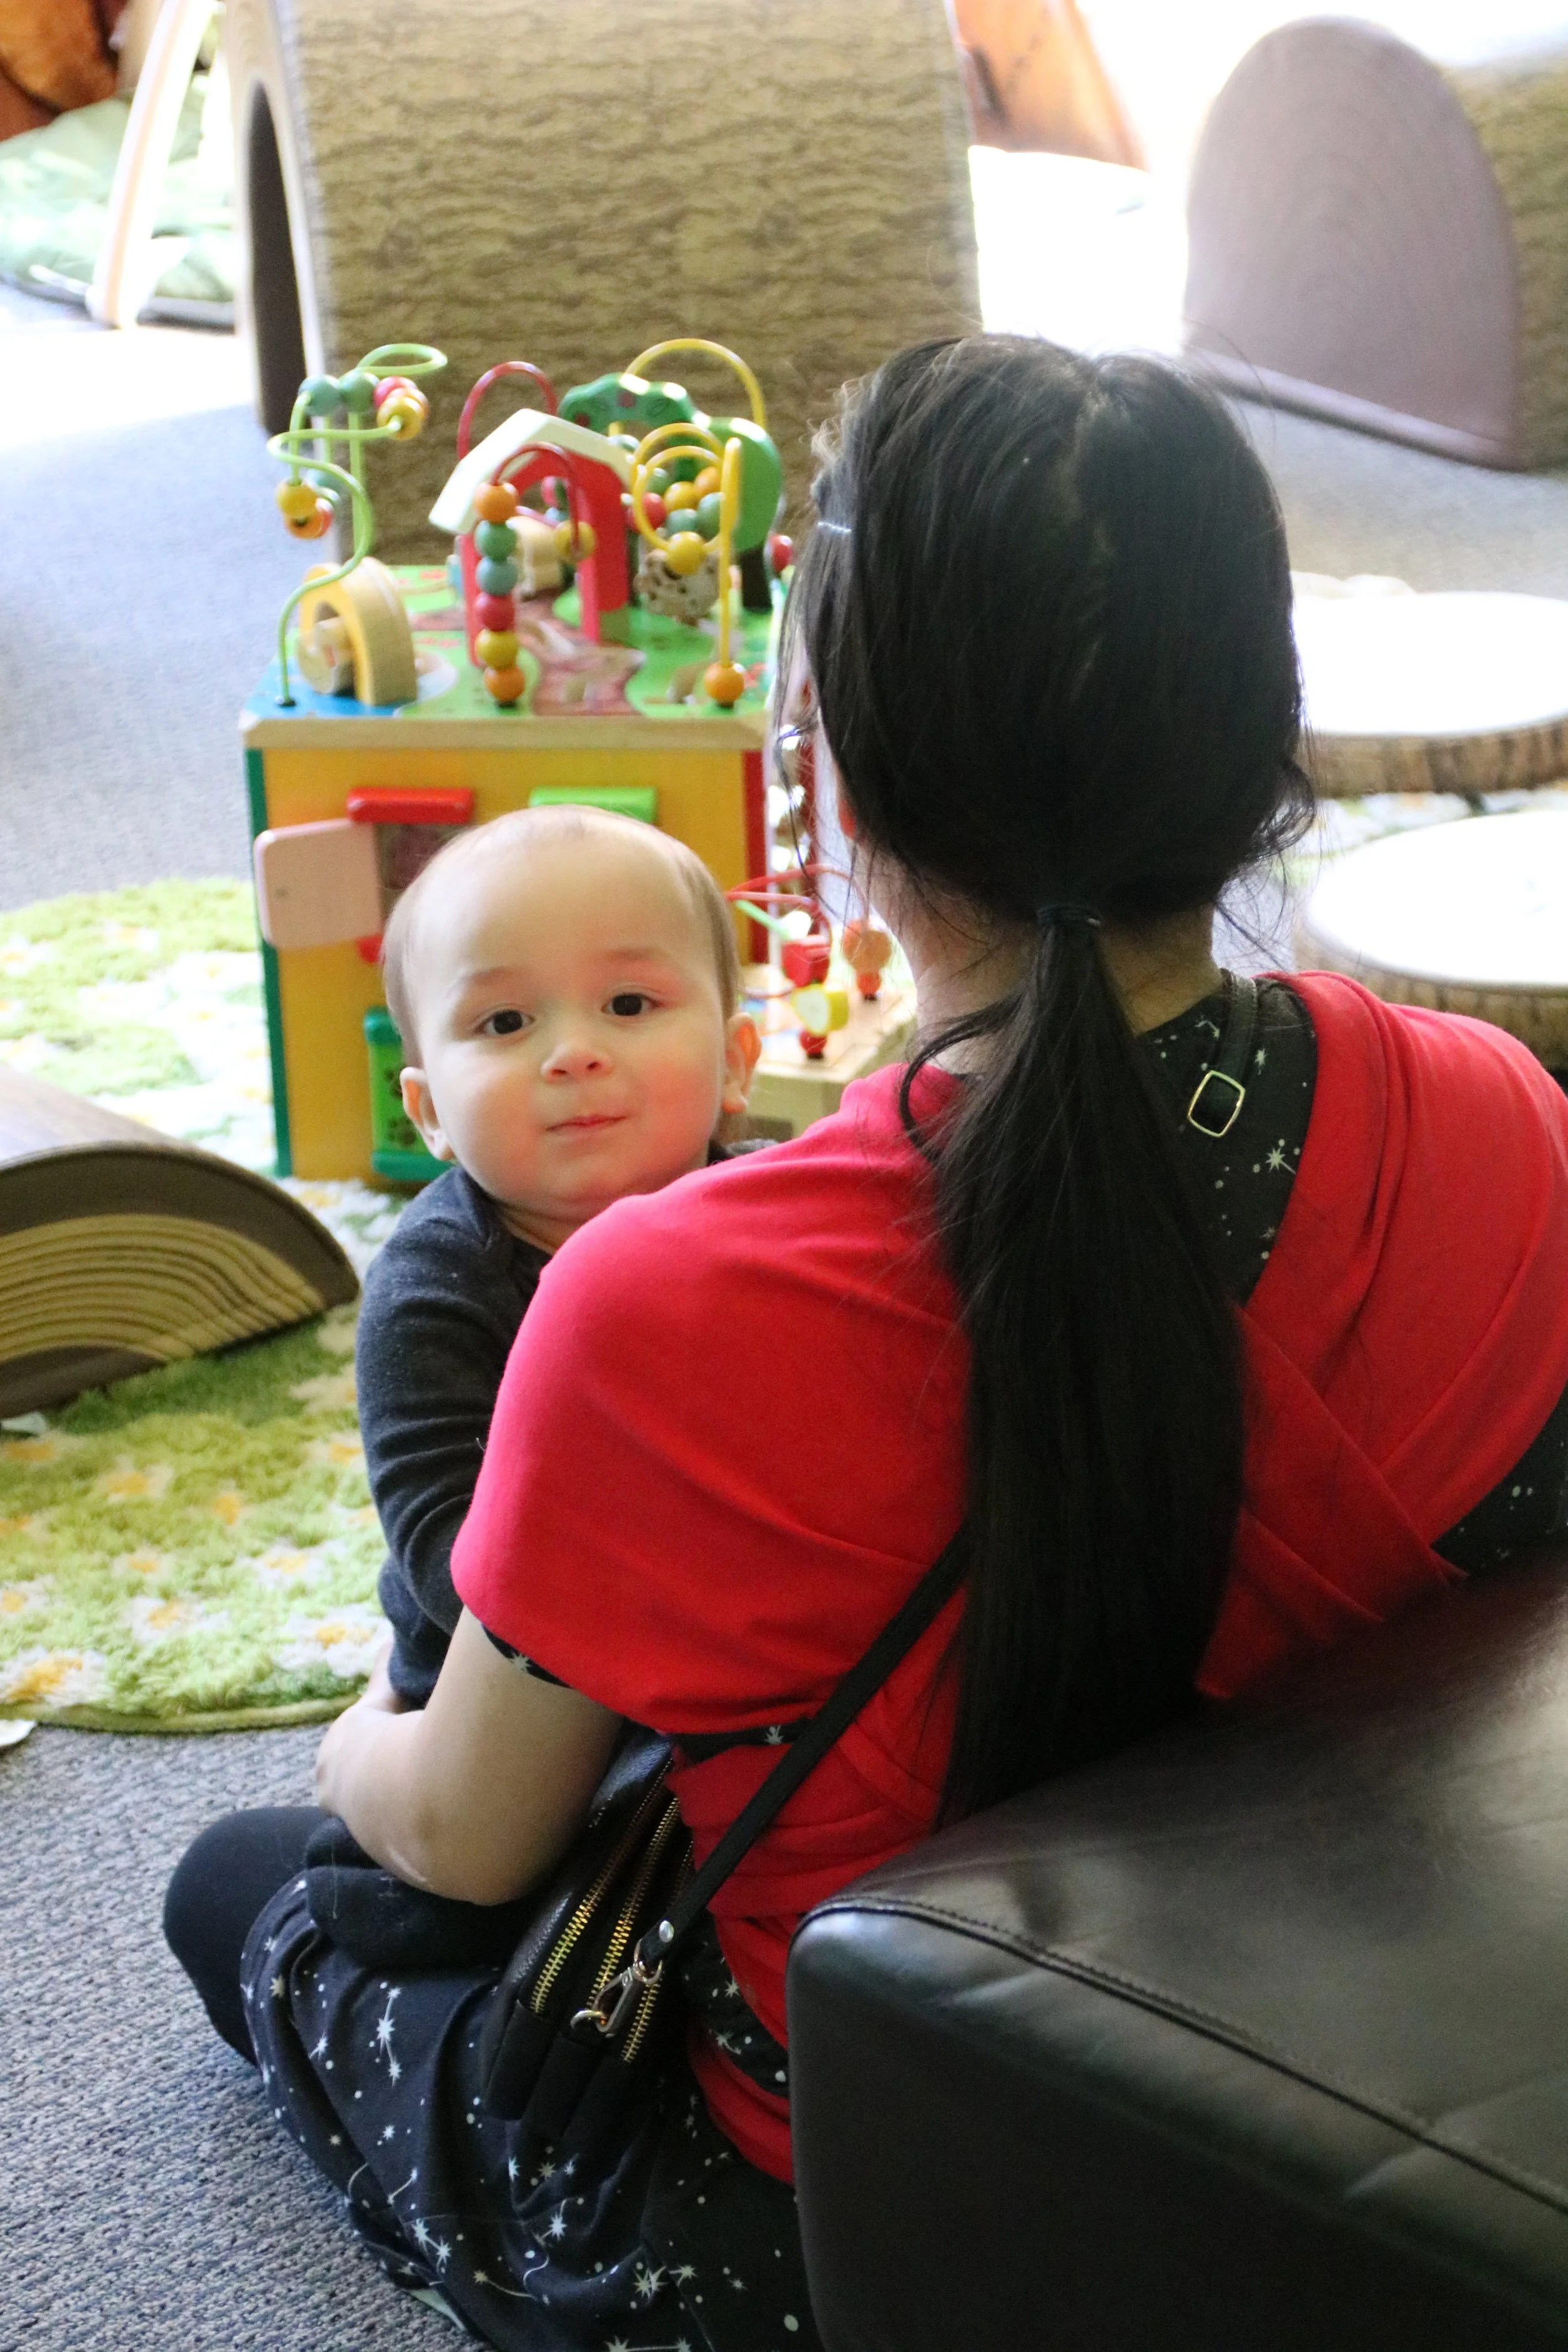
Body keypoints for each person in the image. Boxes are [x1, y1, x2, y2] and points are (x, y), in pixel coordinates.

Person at [165, 335, 1568, 2350]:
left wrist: (347, 1743)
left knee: (248, 1882)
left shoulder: (651, 1305)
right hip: (1375, 2082)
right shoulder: (1496, 1107)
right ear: (1263, 734)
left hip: (867, 2211)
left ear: (817, 754)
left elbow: (468, 1832)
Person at [354, 803, 762, 1707]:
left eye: (628, 1003)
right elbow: (452, 1567)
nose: (573, 1054)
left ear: (737, 1061)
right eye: (504, 1022)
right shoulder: (432, 1294)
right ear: (427, 1113)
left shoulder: (784, 1219)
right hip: (507, 1717)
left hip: (761, 1667)